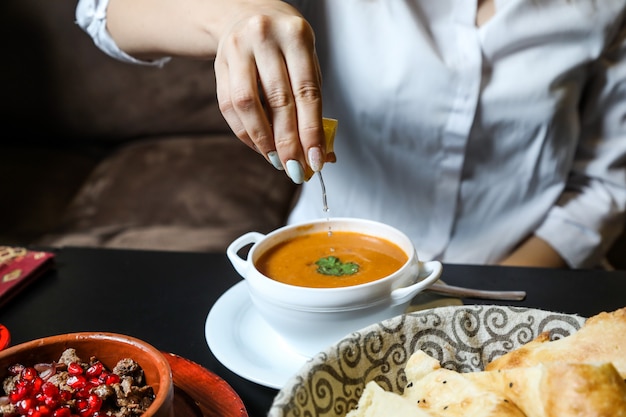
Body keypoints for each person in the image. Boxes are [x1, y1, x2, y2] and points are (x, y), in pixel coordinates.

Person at [75, 0, 626, 269]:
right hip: (323, 270)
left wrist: (477, 302)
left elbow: (607, 185)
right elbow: (102, 11)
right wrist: (237, 17)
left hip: (533, 276)